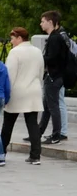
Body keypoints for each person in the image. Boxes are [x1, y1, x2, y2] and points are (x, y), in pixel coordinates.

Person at [1, 28, 44, 165]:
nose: (11, 41)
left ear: (19, 38)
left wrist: (6, 93)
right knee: (33, 124)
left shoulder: (15, 52)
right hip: (34, 90)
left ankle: (1, 151)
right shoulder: (37, 51)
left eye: (12, 38)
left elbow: (10, 75)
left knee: (8, 123)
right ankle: (35, 155)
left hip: (17, 92)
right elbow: (41, 72)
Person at [35, 10, 66, 144]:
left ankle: (56, 135)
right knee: (47, 106)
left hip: (53, 76)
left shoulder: (54, 38)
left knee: (52, 106)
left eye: (43, 21)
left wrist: (39, 58)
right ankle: (38, 132)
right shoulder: (56, 37)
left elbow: (52, 58)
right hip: (55, 76)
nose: (41, 24)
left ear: (50, 22)